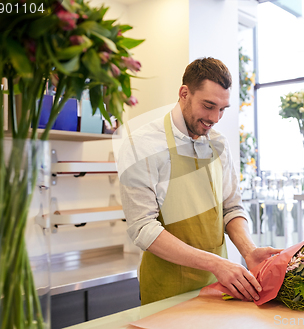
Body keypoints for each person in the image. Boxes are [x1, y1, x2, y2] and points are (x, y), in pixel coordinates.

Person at [118, 57, 281, 305]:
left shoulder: (218, 143)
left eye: (222, 109)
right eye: (208, 106)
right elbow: (143, 228)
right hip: (167, 292)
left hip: (222, 289)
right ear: (184, 93)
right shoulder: (141, 144)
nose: (215, 118)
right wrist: (216, 263)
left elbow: (231, 207)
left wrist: (248, 251)